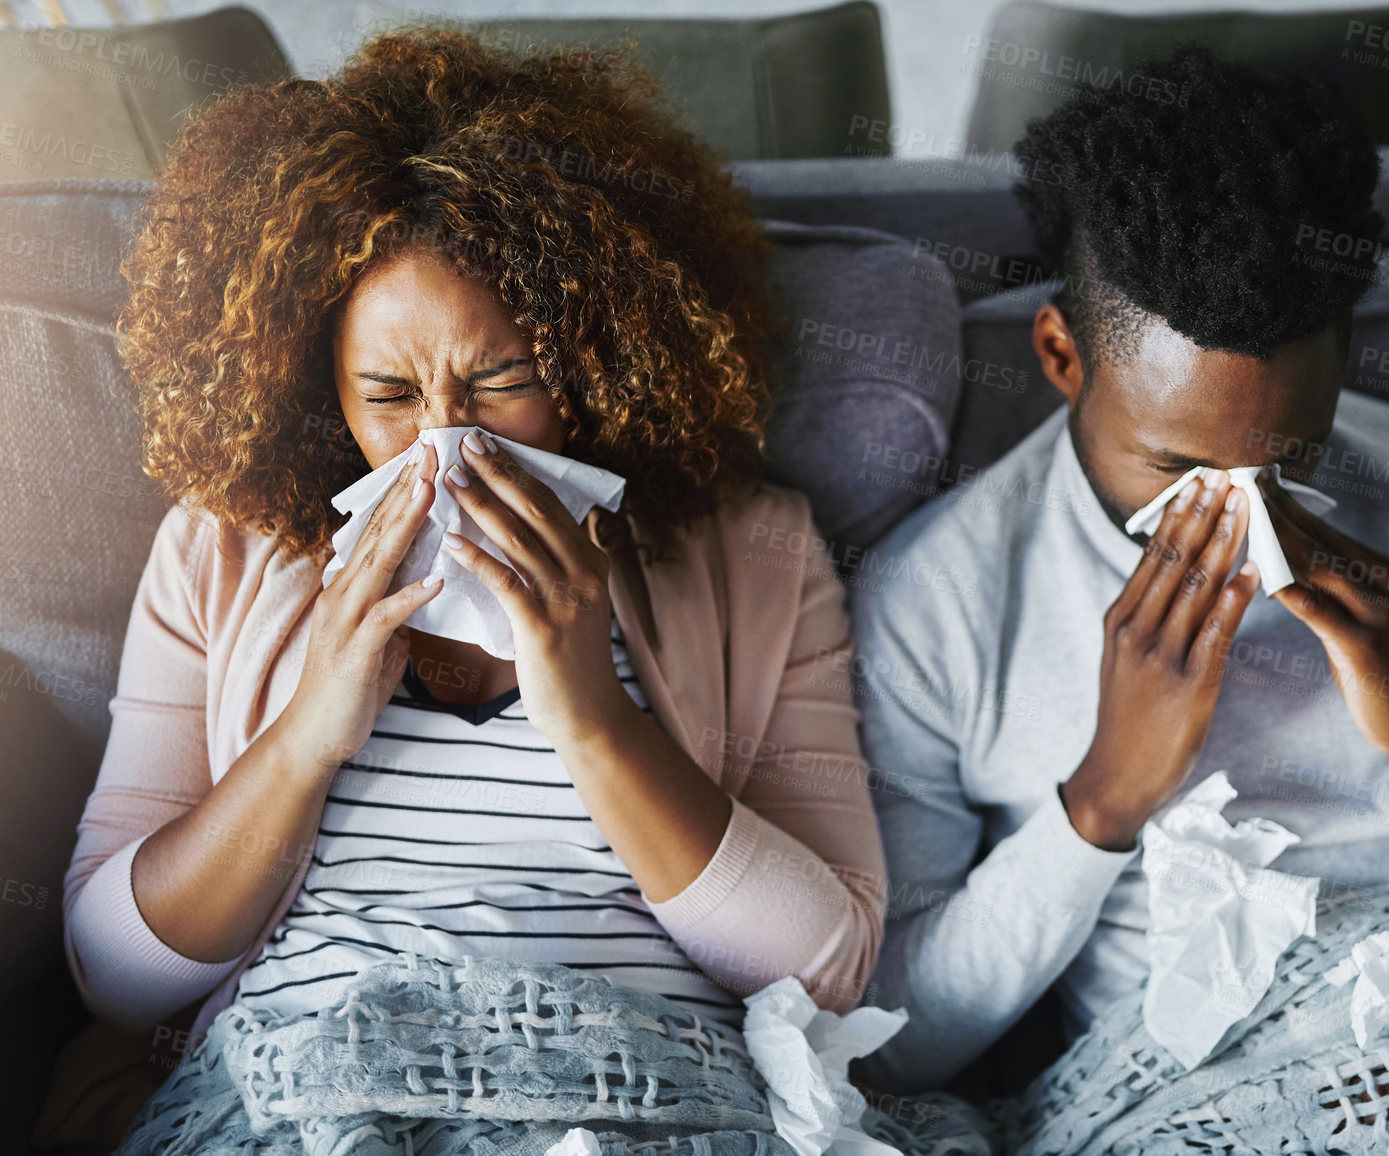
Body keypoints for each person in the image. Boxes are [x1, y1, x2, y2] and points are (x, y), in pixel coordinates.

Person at [850, 47, 1389, 1092]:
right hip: (1199, 1087)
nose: (1241, 510)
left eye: (1289, 458)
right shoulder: (939, 599)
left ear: (1340, 362)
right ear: (1062, 356)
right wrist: (1102, 799)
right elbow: (897, 1035)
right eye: (1176, 464)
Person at [61, 28, 885, 1060]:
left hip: (637, 1086)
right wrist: (309, 728)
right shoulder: (217, 556)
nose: (448, 444)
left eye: (500, 383)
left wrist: (592, 716)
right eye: (392, 396)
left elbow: (832, 968)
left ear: (595, 364)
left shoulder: (754, 553)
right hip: (309, 1082)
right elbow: (115, 977)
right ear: (321, 395)